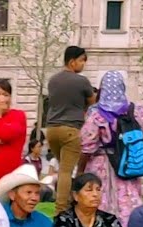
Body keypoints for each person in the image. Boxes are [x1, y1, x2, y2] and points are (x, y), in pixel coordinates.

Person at [78, 70, 143, 227]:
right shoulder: (138, 111)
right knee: (129, 200)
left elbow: (87, 147)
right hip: (129, 164)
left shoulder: (97, 115)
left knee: (102, 201)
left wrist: (80, 171)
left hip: (102, 166)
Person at [46, 46, 96, 214]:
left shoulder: (53, 80)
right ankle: (61, 209)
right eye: (82, 61)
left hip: (52, 129)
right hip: (71, 129)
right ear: (72, 61)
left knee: (62, 168)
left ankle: (67, 201)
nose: (83, 64)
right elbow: (93, 103)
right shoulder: (81, 81)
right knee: (66, 171)